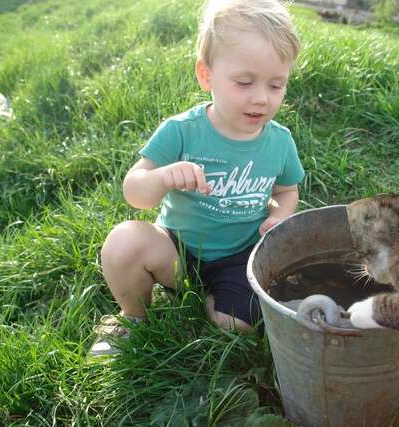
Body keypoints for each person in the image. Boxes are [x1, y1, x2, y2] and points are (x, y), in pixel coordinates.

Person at [90, 0, 304, 356]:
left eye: (276, 85)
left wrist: (280, 214)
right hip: (178, 250)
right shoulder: (182, 131)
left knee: (236, 327)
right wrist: (161, 177)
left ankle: (211, 300)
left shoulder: (279, 141)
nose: (261, 98)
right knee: (124, 243)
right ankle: (134, 317)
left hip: (241, 256)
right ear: (206, 75)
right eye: (244, 82)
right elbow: (135, 192)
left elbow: (287, 190)